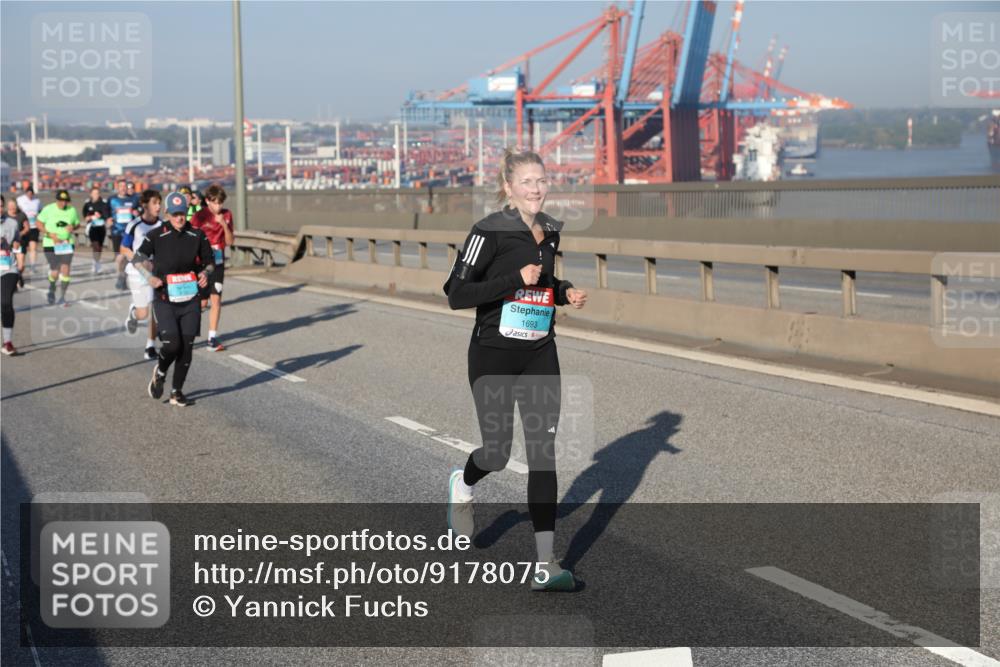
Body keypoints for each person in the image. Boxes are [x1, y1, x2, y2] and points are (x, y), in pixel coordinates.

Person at [443, 149, 588, 592]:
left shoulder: (552, 231)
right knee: (498, 453)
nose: (536, 189)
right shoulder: (488, 231)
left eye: (542, 181)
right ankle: (463, 486)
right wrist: (513, 280)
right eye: (526, 182)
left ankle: (546, 564)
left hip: (539, 350)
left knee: (543, 450)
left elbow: (543, 281)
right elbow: (455, 293)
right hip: (492, 353)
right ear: (509, 187)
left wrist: (563, 292)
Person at [131, 191, 214, 407]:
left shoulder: (197, 235)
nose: (180, 218)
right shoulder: (156, 235)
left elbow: (210, 262)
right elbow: (137, 259)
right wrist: (149, 278)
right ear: (168, 214)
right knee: (172, 344)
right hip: (165, 298)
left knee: (186, 347)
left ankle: (177, 391)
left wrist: (205, 274)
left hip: (190, 299)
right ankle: (160, 371)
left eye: (183, 213)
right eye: (175, 214)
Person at [189, 184, 233, 351]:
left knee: (216, 300)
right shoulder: (199, 216)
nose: (218, 207)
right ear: (207, 201)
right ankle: (189, 332)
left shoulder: (227, 215)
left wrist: (223, 224)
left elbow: (229, 242)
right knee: (201, 303)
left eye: (221, 203)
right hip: (201, 264)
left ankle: (212, 339)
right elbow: (191, 239)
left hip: (218, 263)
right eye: (215, 203)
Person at [121, 189, 162, 361]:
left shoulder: (163, 225)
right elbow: (124, 249)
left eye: (160, 203)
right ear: (145, 205)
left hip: (155, 273)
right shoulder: (134, 225)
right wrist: (141, 261)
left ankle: (150, 346)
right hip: (136, 273)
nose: (158, 207)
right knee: (143, 313)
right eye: (155, 203)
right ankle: (133, 314)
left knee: (155, 310)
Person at [36, 190, 81, 306]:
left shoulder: (72, 210)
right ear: (57, 200)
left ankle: (62, 297)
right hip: (51, 243)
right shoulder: (48, 209)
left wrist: (73, 227)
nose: (64, 204)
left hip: (66, 244)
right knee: (55, 270)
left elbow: (77, 224)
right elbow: (39, 224)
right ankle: (51, 289)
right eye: (61, 201)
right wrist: (49, 234)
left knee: (66, 269)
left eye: (66, 201)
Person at [1, 200, 25, 355]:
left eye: (1, 205)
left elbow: (18, 243)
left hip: (8, 268)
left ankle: (7, 342)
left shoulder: (12, 223)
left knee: (5, 302)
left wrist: (21, 267)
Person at [109, 179, 140, 290]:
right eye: (121, 186)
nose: (123, 188)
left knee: (127, 257)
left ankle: (123, 277)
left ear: (127, 188)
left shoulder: (134, 199)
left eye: (124, 186)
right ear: (117, 187)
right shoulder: (112, 199)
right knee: (120, 257)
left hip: (130, 232)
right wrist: (107, 220)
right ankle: (120, 276)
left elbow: (140, 211)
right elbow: (106, 212)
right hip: (116, 231)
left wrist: (137, 213)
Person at [81, 186, 111, 274]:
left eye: (97, 193)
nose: (96, 195)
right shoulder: (87, 204)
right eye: (94, 193)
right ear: (90, 194)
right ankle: (96, 264)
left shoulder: (104, 203)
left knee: (100, 247)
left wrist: (100, 216)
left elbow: (107, 215)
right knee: (96, 246)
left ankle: (96, 262)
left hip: (101, 227)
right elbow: (85, 216)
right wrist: (90, 217)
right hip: (92, 227)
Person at [15, 185, 41, 274]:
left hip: (34, 227)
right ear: (26, 193)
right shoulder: (20, 200)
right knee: (23, 250)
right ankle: (21, 265)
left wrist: (38, 218)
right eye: (28, 193)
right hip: (24, 227)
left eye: (31, 193)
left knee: (33, 248)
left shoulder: (37, 201)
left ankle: (33, 267)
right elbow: (15, 211)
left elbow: (41, 212)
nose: (30, 195)